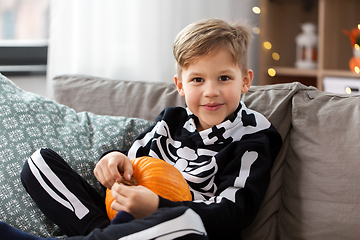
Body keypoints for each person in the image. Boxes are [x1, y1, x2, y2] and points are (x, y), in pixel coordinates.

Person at [1, 18, 282, 240]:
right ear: (180, 85)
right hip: (124, 219)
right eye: (197, 79)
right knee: (38, 164)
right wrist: (113, 159)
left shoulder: (252, 139)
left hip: (182, 229)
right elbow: (135, 162)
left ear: (245, 81)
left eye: (223, 78)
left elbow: (234, 213)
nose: (210, 91)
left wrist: (157, 207)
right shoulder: (170, 120)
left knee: (183, 223)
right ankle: (106, 234)